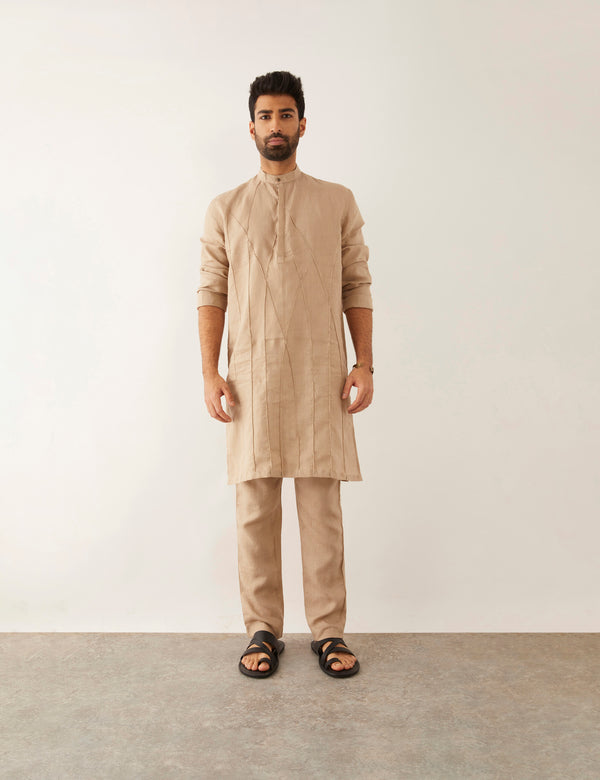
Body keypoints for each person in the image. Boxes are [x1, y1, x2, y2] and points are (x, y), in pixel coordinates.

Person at [196, 71, 374, 679]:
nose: (276, 126)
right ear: (251, 128)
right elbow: (211, 292)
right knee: (254, 509)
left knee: (322, 508)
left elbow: (357, 284)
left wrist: (363, 362)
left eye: (286, 114)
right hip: (251, 373)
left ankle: (328, 631)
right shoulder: (225, 208)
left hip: (322, 371)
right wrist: (210, 372)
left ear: (303, 124)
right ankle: (262, 630)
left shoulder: (337, 200)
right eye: (266, 116)